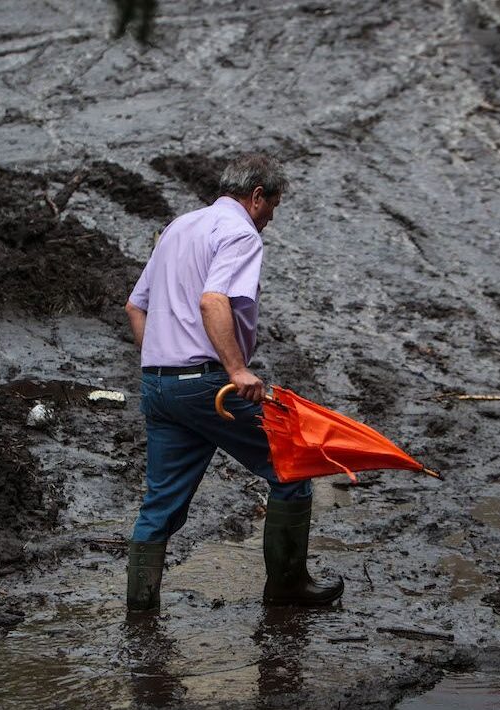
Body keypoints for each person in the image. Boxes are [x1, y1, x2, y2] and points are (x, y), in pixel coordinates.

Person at [123, 153, 343, 612]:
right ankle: (287, 588)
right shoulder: (240, 231)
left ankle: (140, 611)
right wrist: (238, 369)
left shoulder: (179, 227)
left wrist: (158, 361)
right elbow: (212, 301)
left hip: (159, 387)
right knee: (291, 466)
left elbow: (135, 306)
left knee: (159, 504)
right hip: (209, 387)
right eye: (272, 207)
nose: (269, 220)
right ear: (256, 196)